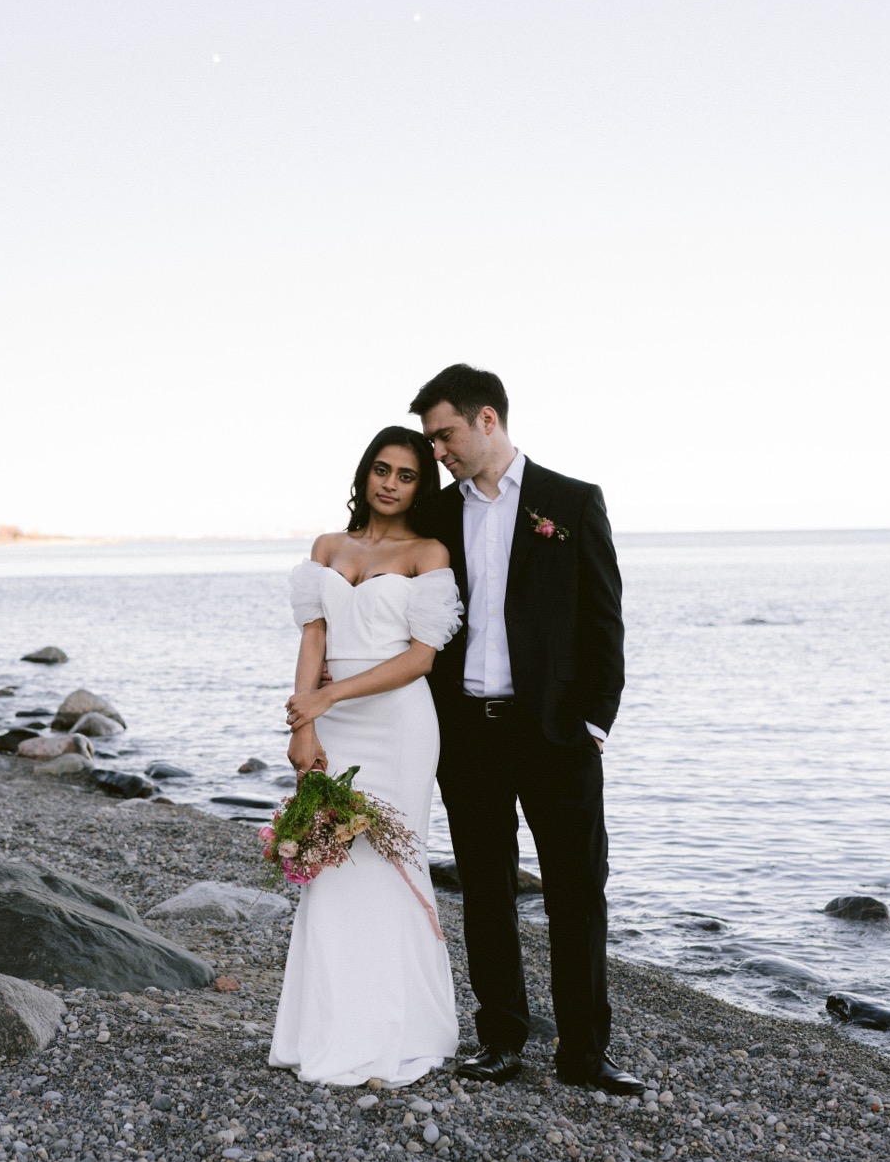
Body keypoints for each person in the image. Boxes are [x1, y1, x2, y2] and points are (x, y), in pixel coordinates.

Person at [410, 363, 644, 1096]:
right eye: (431, 438)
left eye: (444, 433)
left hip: (554, 735)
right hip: (468, 733)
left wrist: (595, 723)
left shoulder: (570, 502)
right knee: (485, 889)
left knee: (578, 892)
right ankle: (501, 1039)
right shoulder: (437, 516)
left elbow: (605, 621)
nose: (437, 450)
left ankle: (584, 1052)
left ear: (488, 420)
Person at [268, 425, 464, 1087]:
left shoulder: (428, 551)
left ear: (419, 487)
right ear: (365, 472)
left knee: (389, 863)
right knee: (330, 865)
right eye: (382, 469)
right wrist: (304, 722)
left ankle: (398, 1031)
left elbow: (420, 658)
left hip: (399, 724)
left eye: (406, 475)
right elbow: (313, 642)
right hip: (332, 720)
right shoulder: (327, 546)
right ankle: (322, 1030)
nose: (390, 483)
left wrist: (331, 698)